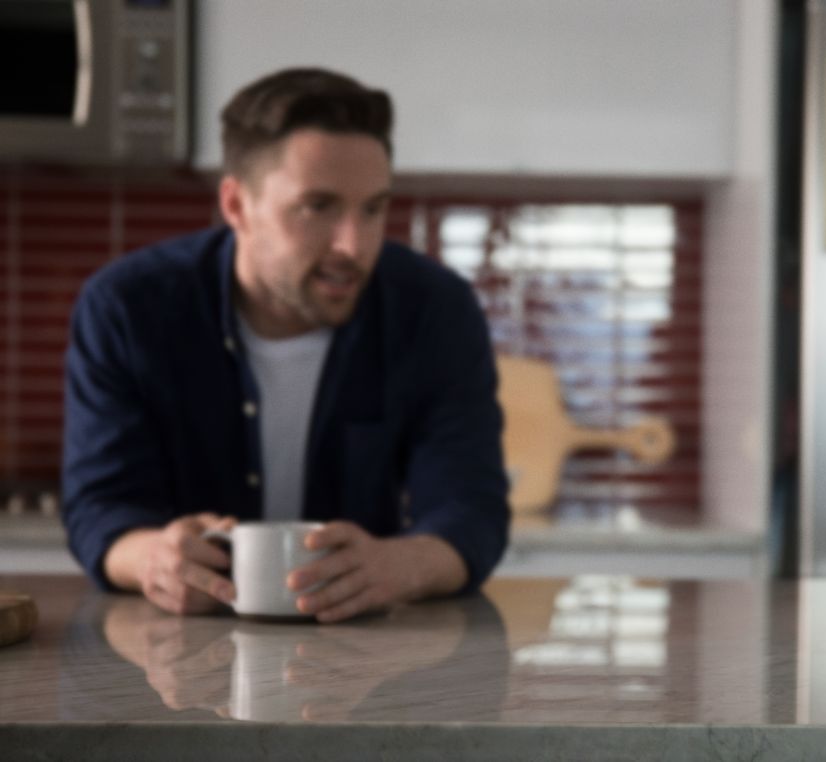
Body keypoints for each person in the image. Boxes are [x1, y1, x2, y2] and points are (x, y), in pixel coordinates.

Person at [61, 67, 510, 623]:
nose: (354, 244)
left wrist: (399, 566)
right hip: (174, 660)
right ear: (236, 206)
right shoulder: (128, 307)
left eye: (372, 208)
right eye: (317, 207)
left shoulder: (436, 310)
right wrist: (154, 558)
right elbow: (102, 508)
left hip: (370, 658)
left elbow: (470, 508)